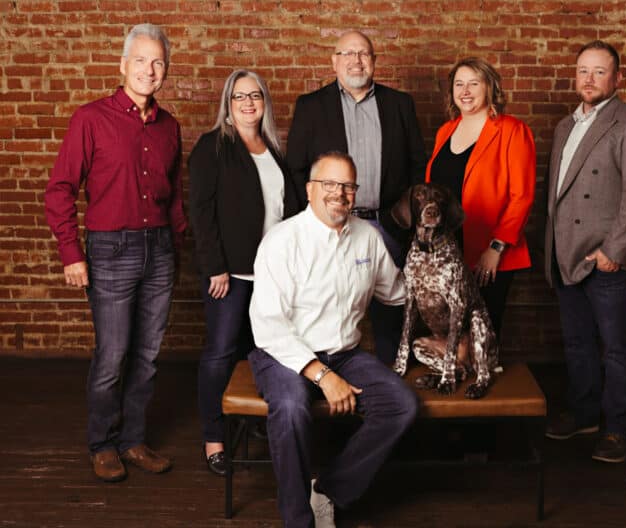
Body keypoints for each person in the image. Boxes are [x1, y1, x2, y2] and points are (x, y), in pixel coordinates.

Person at [44, 23, 186, 482]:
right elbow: (60, 189)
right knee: (113, 354)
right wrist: (71, 253)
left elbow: (176, 196)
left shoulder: (170, 127)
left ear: (166, 69)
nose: (150, 69)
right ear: (123, 65)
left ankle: (134, 439)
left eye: (158, 61)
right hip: (110, 249)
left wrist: (178, 246)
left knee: (147, 356)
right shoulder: (91, 119)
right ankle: (103, 443)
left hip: (160, 248)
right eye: (141, 60)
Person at [247, 151, 418, 528]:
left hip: (344, 353)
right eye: (329, 184)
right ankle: (298, 520)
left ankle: (329, 489)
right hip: (283, 354)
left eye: (348, 186)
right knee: (291, 409)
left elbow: (399, 293)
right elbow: (269, 326)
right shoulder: (282, 240)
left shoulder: (367, 238)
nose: (339, 193)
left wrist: (450, 314)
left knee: (401, 405)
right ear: (310, 190)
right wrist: (323, 376)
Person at [543, 40, 626, 463]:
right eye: (582, 71)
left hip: (607, 259)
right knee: (577, 345)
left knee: (616, 349)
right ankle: (585, 413)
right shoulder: (564, 126)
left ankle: (620, 428)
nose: (588, 79)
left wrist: (615, 251)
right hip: (567, 255)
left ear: (617, 78)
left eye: (598, 71)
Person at [286, 30, 427, 364]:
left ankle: (392, 389)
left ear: (375, 61)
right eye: (347, 53)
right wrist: (309, 224)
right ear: (334, 61)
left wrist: (411, 226)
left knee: (391, 314)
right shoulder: (311, 106)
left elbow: (417, 167)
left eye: (363, 53)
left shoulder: (399, 105)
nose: (356, 61)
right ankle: (326, 386)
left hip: (388, 226)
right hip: (332, 229)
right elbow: (296, 169)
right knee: (324, 309)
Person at [188, 69, 300, 475]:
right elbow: (200, 213)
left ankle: (253, 423)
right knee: (219, 353)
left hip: (270, 277)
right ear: (228, 105)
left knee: (259, 353)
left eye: (255, 95)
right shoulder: (213, 146)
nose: (248, 103)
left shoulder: (272, 149)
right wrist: (215, 267)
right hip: (230, 275)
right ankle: (214, 436)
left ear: (264, 102)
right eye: (239, 97)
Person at [427, 57, 536, 336]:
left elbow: (521, 195)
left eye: (473, 84)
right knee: (452, 330)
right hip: (447, 250)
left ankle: (484, 377)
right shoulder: (445, 131)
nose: (465, 91)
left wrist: (496, 248)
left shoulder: (512, 130)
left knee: (482, 331)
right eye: (459, 84)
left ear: (490, 88)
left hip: (488, 251)